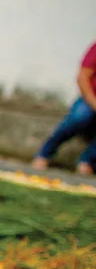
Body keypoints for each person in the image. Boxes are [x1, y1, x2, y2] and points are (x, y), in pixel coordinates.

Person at [32, 42, 96, 176]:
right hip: (90, 97)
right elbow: (82, 77)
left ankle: (87, 161)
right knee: (80, 117)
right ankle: (45, 153)